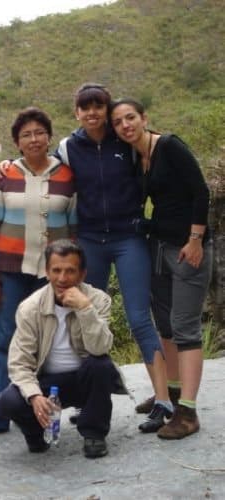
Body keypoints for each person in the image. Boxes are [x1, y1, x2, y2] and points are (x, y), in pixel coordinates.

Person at [0, 83, 171, 433]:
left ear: (107, 109)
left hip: (127, 237)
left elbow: (156, 152)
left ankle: (163, 399)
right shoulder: (68, 147)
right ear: (75, 112)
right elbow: (43, 167)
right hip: (89, 240)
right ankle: (91, 401)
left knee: (139, 318)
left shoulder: (126, 139)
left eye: (98, 106)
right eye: (84, 107)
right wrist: (8, 165)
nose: (92, 113)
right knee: (81, 314)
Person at [0, 108, 77, 441]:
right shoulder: (5, 176)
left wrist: (70, 275)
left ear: (49, 136)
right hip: (12, 271)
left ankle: (38, 414)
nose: (34, 139)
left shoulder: (66, 176)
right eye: (26, 134)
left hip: (51, 275)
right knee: (6, 340)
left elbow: (73, 231)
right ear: (17, 141)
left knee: (47, 343)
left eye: (40, 132)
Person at [110, 98, 212, 439]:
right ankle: (168, 392)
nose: (126, 125)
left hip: (187, 249)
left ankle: (189, 411)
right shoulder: (136, 158)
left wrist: (196, 238)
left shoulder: (169, 146)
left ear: (144, 118)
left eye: (130, 118)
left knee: (185, 327)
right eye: (118, 122)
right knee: (165, 325)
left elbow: (200, 191)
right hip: (158, 247)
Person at [0, 239, 125, 458]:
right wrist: (35, 395)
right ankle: (35, 433)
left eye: (70, 271)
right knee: (8, 400)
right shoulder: (30, 307)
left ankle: (94, 433)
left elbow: (100, 347)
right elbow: (19, 364)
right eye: (56, 270)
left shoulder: (98, 300)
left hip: (85, 378)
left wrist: (85, 308)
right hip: (47, 384)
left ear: (82, 274)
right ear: (47, 271)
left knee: (101, 365)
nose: (62, 279)